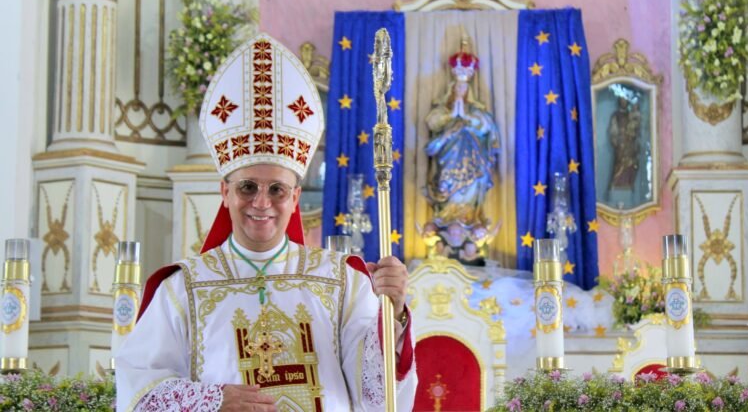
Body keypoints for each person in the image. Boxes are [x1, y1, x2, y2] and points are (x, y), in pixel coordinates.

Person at [116, 33, 417, 411]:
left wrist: (394, 313)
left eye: (277, 189)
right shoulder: (183, 290)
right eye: (247, 187)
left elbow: (378, 395)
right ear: (224, 193)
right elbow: (137, 392)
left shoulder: (343, 283)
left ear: (294, 198)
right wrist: (212, 401)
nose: (261, 202)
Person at [424, 43, 499, 227]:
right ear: (452, 89)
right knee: (447, 187)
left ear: (469, 92)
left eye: (464, 89)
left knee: (471, 188)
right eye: (457, 89)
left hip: (473, 160)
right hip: (449, 160)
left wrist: (466, 118)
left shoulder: (477, 112)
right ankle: (447, 220)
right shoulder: (443, 111)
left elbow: (487, 128)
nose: (460, 92)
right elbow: (432, 122)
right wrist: (451, 117)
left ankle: (470, 220)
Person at [608, 96, 641, 190]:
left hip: (630, 145)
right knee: (620, 165)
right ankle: (616, 184)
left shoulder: (631, 115)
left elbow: (637, 130)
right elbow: (613, 131)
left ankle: (629, 184)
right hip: (621, 145)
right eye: (622, 100)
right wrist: (617, 141)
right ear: (619, 102)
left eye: (626, 100)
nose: (624, 102)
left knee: (631, 164)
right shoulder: (616, 115)